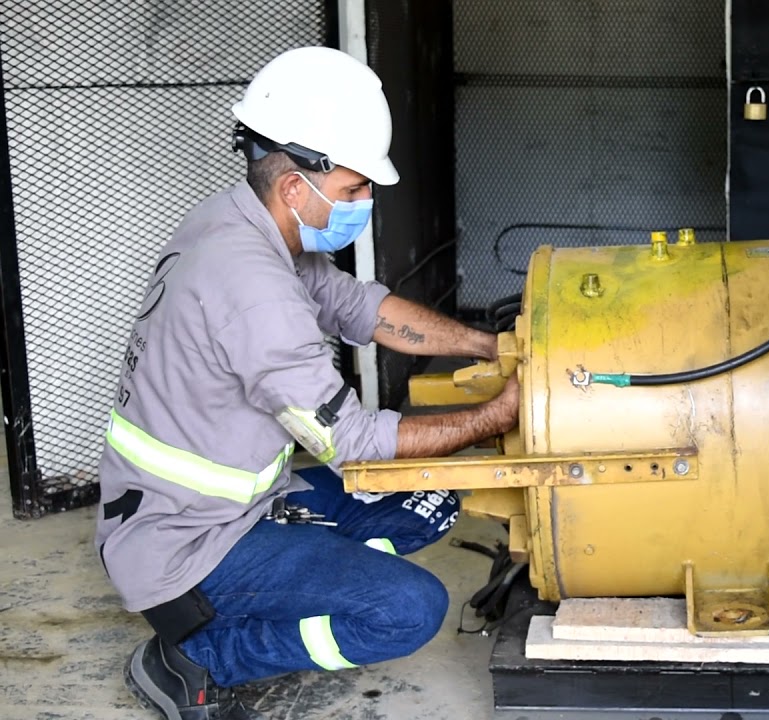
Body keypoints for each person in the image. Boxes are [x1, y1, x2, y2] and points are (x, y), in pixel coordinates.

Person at [94, 46, 519, 720]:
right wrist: (494, 416)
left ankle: (297, 574)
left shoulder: (240, 223)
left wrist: (491, 345)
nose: (366, 202)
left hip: (228, 505)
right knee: (409, 608)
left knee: (430, 497)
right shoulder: (252, 288)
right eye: (354, 189)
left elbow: (360, 308)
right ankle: (200, 657)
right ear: (298, 187)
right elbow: (350, 443)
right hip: (187, 546)